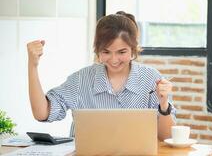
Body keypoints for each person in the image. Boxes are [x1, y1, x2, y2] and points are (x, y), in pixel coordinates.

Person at [27, 11, 176, 140]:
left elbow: (167, 137)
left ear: (133, 49)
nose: (114, 60)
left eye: (121, 52)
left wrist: (163, 104)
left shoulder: (150, 78)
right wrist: (33, 66)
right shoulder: (81, 79)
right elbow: (42, 113)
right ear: (97, 50)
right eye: (106, 52)